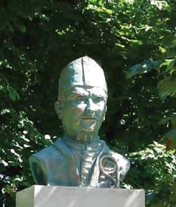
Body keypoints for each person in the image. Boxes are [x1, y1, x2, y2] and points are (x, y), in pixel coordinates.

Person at [29, 56, 130, 187]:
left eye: (98, 99)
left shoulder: (119, 162)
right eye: (80, 98)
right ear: (59, 109)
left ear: (105, 111)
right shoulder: (45, 159)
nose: (91, 108)